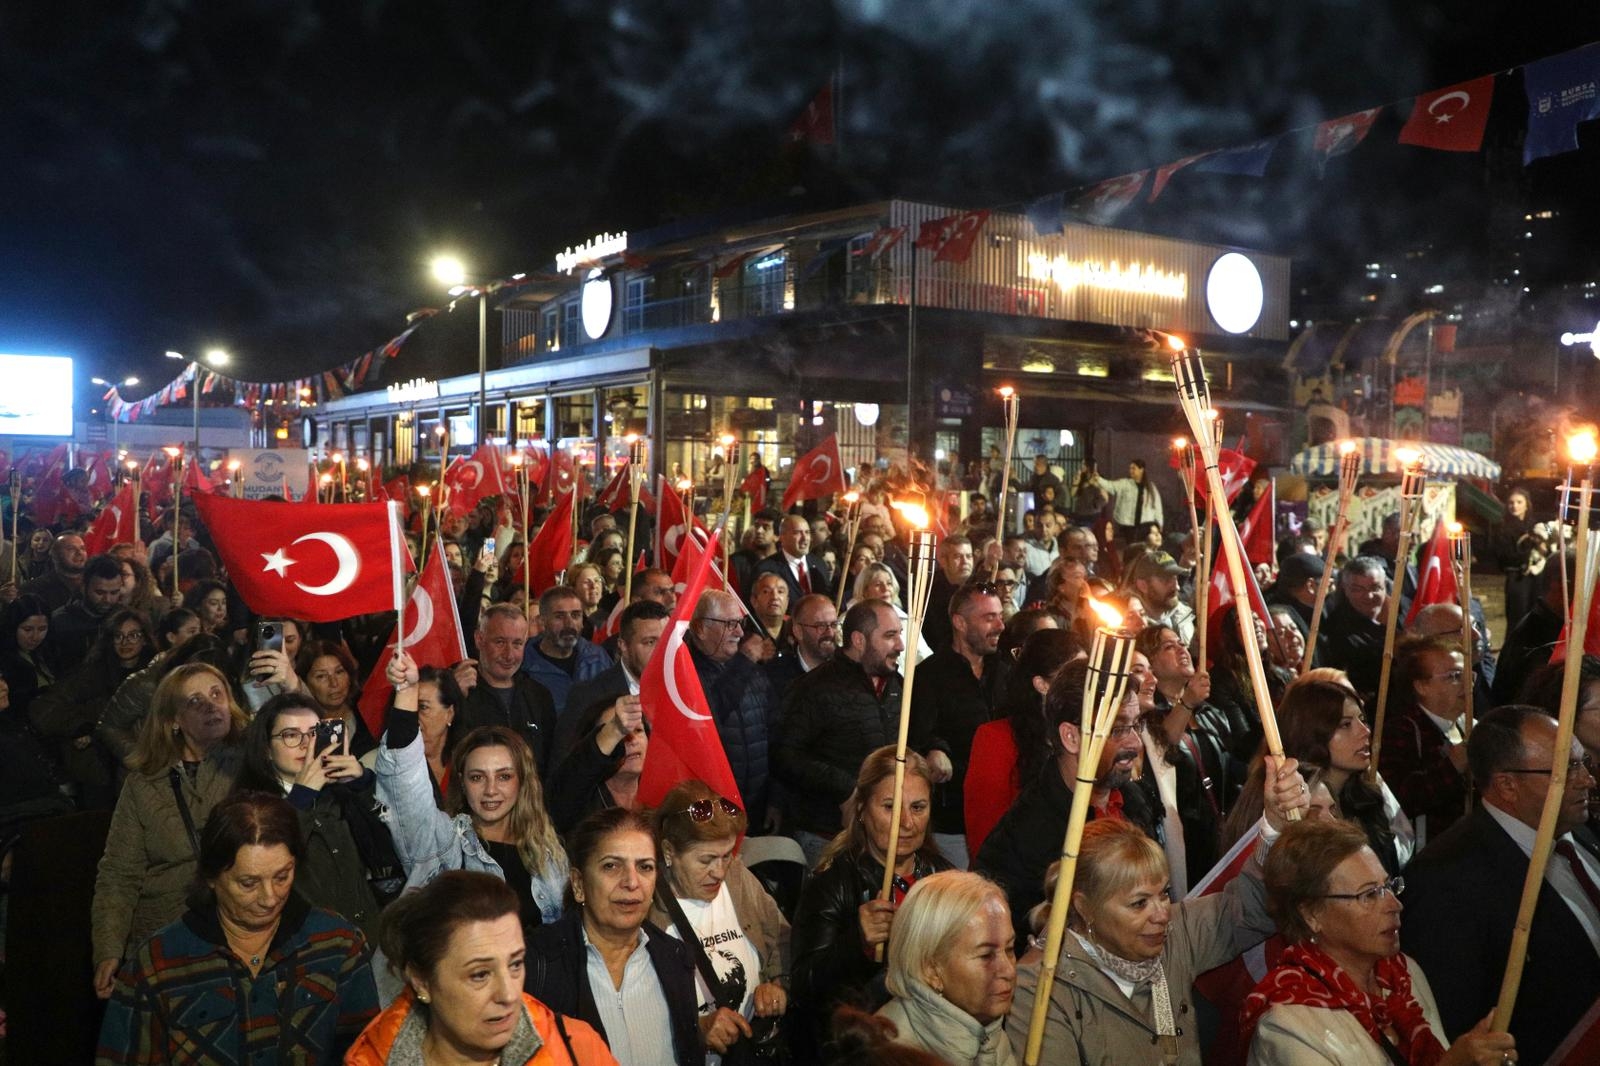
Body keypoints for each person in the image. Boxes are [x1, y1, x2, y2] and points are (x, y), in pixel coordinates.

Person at [1004, 754, 1310, 1065]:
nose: (1161, 914)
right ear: (1084, 907)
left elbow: (1253, 910)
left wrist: (1275, 826)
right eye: (1139, 903)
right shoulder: (1040, 989)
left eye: (1163, 894)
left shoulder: (1177, 932)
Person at [96, 791, 379, 1064]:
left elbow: (367, 1054)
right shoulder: (158, 963)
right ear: (211, 876)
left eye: (282, 876)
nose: (270, 898)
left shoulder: (337, 944)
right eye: (248, 883)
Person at [1401, 706, 1600, 1066]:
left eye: (1583, 762)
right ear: (1508, 785)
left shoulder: (1577, 833)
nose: (1587, 779)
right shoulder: (1446, 882)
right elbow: (1460, 1028)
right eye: (1568, 769)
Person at [1242, 818, 1517, 1066]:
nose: (1394, 905)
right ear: (1311, 914)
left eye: (1388, 887)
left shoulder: (1402, 973)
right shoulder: (1287, 1024)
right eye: (1369, 895)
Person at [378, 649, 569, 937]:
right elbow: (404, 783)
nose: (491, 790)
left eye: (504, 776)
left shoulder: (548, 852)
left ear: (523, 781)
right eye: (478, 777)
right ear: (462, 782)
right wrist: (407, 692)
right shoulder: (443, 845)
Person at [91, 662, 247, 1000]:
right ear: (173, 720)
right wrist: (108, 950)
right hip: (167, 936)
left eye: (216, 693)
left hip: (239, 929)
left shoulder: (251, 764)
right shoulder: (144, 783)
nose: (210, 705)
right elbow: (119, 873)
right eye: (194, 700)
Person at [348, 870, 616, 1066]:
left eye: (515, 964)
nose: (509, 994)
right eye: (479, 975)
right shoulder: (369, 1060)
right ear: (421, 980)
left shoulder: (578, 1049)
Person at [975, 659, 1156, 944]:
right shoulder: (1026, 838)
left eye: (1136, 725)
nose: (1135, 743)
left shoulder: (1135, 801)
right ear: (1071, 736)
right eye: (1117, 729)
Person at [790, 745, 954, 1055]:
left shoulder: (941, 877)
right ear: (862, 810)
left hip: (932, 1041)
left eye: (918, 807)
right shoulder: (833, 882)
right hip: (860, 1047)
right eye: (890, 807)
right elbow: (803, 987)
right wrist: (856, 944)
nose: (907, 822)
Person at [523, 806, 705, 1065]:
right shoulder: (538, 965)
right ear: (578, 884)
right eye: (611, 866)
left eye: (645, 867)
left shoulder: (676, 958)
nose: (631, 882)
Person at [231, 692, 404, 939]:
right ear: (267, 750)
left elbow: (394, 845)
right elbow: (260, 862)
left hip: (369, 937)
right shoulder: (248, 807)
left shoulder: (339, 792)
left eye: (314, 733)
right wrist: (300, 797)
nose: (307, 744)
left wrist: (363, 783)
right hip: (311, 948)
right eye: (291, 735)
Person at [650, 781, 792, 1063]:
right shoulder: (646, 906)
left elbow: (782, 937)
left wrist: (778, 983)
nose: (719, 871)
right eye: (706, 860)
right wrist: (697, 1027)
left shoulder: (737, 879)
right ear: (669, 852)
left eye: (726, 855)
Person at [1223, 670, 1414, 875]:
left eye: (1361, 719)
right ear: (1310, 733)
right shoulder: (1284, 804)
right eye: (1346, 724)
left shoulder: (1366, 797)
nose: (1365, 731)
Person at [773, 597, 906, 866]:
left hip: (882, 833)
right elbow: (785, 755)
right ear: (859, 640)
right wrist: (844, 787)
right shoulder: (815, 688)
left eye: (899, 635)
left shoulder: (897, 685)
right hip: (827, 836)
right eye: (890, 636)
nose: (900, 646)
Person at [876, 871, 1018, 1065]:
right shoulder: (890, 1055)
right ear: (931, 970)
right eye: (986, 956)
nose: (1009, 971)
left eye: (1009, 949)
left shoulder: (992, 1034)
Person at [964, 628, 1082, 861]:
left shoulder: (1087, 735)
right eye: (1074, 676)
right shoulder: (996, 739)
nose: (1085, 685)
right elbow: (984, 835)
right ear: (1041, 684)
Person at [912, 582, 1006, 869]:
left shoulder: (1007, 672)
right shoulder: (928, 677)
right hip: (955, 819)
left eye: (1000, 615)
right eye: (989, 617)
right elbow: (916, 736)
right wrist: (934, 748)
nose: (1000, 625)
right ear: (960, 623)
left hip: (1005, 814)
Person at [29, 606, 153, 809]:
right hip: (101, 768)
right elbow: (45, 706)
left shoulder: (156, 675)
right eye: (118, 636)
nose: (125, 642)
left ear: (145, 638)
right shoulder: (92, 674)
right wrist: (79, 726)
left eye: (133, 635)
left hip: (144, 765)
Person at [688, 589, 777, 829]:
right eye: (729, 624)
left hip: (757, 807)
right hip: (712, 810)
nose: (739, 632)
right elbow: (712, 713)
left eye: (740, 623)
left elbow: (774, 735)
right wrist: (744, 662)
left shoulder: (753, 672)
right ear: (699, 628)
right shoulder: (685, 673)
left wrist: (776, 799)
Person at [1378, 635, 1472, 846]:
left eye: (1468, 675)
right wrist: (1453, 766)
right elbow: (1398, 799)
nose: (1467, 684)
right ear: (1421, 686)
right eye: (1454, 676)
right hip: (1435, 853)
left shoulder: (1471, 725)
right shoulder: (1402, 731)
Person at [460, 602, 561, 775]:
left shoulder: (539, 696)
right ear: (479, 639)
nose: (509, 654)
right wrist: (454, 699)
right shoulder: (460, 692)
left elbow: (551, 763)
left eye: (517, 644)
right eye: (500, 642)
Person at [521, 587, 612, 719]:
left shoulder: (598, 658)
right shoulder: (523, 663)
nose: (569, 624)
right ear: (542, 621)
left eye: (575, 615)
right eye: (559, 616)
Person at [1322, 557, 1390, 704]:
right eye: (1357, 590)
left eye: (1375, 588)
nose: (1369, 596)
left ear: (1385, 586)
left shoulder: (1401, 614)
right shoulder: (1337, 631)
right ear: (1345, 590)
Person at [298, 638, 378, 757]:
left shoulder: (368, 712)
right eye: (321, 676)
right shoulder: (299, 724)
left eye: (339, 672)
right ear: (305, 682)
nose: (334, 683)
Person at [854, 561, 933, 669]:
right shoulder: (851, 622)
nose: (885, 588)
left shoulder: (906, 621)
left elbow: (923, 657)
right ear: (864, 591)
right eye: (877, 584)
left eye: (889, 583)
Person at [0, 592, 58, 724]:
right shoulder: (4, 660)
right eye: (27, 629)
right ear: (13, 627)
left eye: (42, 629)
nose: (36, 637)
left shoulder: (50, 651)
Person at [754, 513, 834, 604]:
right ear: (783, 537)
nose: (805, 538)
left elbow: (828, 596)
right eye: (797, 532)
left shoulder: (819, 564)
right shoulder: (766, 568)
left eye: (807, 532)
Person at [1490, 486, 1539, 634]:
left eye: (1519, 502)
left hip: (1536, 577)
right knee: (1518, 618)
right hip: (1517, 577)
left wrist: (1545, 534)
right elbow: (1504, 556)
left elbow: (1549, 530)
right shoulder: (1502, 527)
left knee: (1535, 615)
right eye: (1511, 502)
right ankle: (1512, 652)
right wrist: (1530, 551)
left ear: (1527, 504)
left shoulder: (1534, 523)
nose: (1514, 506)